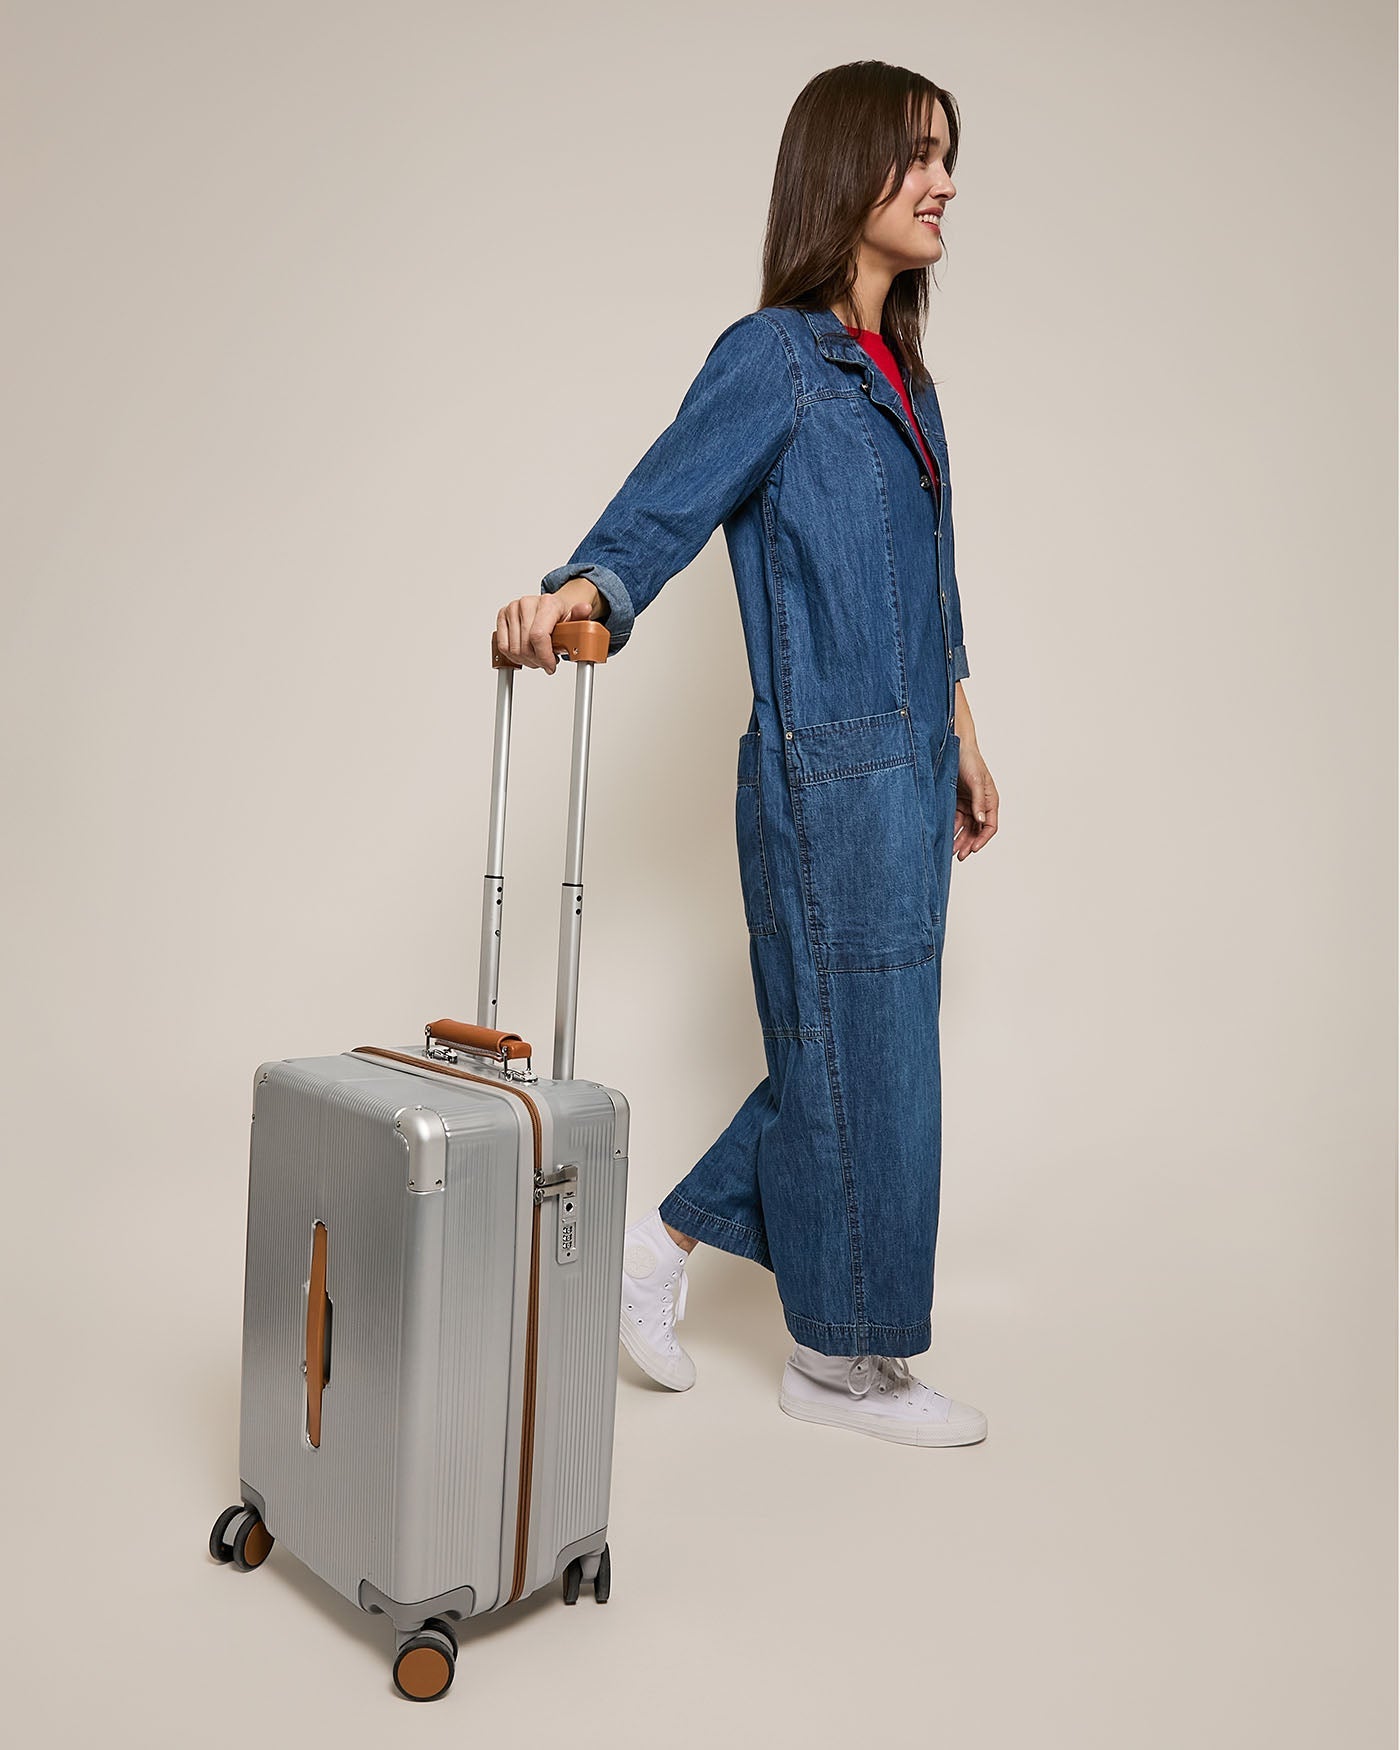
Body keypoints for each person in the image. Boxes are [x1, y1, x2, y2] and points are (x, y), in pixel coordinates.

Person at [494, 61, 1000, 1448]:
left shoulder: (909, 382)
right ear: (848, 173)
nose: (949, 181)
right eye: (920, 156)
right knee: (864, 1059)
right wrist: (581, 593)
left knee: (863, 1058)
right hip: (820, 775)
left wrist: (964, 738)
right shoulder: (774, 356)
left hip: (905, 773)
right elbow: (662, 502)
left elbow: (937, 584)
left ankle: (660, 1256)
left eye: (952, 155)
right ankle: (843, 1364)